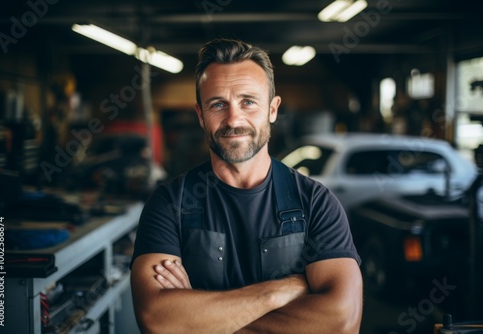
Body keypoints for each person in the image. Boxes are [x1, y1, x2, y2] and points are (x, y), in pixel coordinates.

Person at [130, 38, 363, 334]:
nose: (233, 119)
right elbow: (158, 320)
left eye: (248, 102)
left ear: (273, 109)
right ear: (201, 115)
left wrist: (199, 320)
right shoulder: (169, 204)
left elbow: (342, 323)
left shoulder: (315, 202)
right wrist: (276, 292)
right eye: (217, 104)